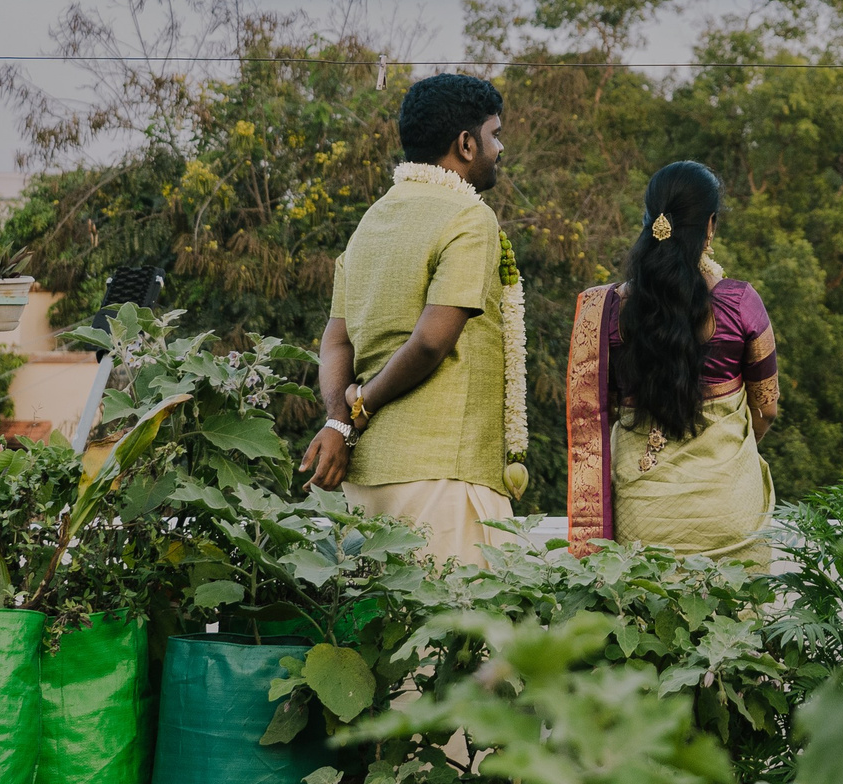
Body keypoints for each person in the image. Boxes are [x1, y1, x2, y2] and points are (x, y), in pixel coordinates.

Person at [299, 71, 527, 566]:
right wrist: (355, 414)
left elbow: (335, 342)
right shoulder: (470, 217)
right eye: (495, 134)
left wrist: (342, 423)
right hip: (444, 477)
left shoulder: (371, 220)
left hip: (368, 481)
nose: (500, 147)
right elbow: (429, 342)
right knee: (467, 637)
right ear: (466, 144)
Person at [565, 161, 778, 564]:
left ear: (648, 221)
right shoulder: (741, 303)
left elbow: (593, 419)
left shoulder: (605, 311)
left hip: (642, 519)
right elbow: (766, 407)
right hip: (729, 511)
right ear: (710, 226)